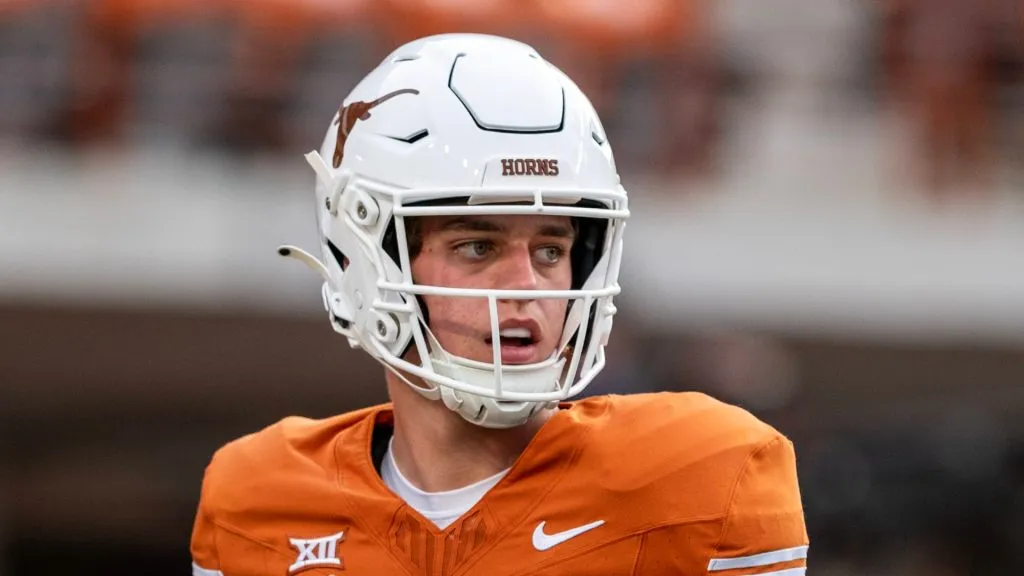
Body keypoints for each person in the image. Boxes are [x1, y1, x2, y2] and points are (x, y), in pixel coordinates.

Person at [190, 33, 809, 576]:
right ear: (365, 258)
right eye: (477, 245)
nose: (529, 286)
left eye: (549, 249)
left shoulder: (705, 477)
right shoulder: (255, 503)